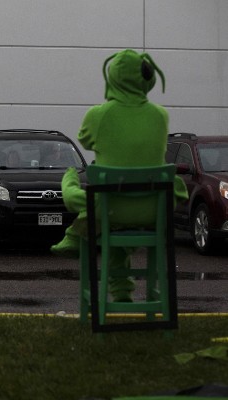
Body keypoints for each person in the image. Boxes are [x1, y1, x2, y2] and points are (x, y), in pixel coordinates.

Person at [50, 49, 188, 302]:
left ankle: (73, 229)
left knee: (89, 198)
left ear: (112, 77)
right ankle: (122, 290)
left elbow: (85, 139)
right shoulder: (161, 115)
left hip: (109, 210)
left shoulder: (98, 115)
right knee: (112, 202)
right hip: (153, 212)